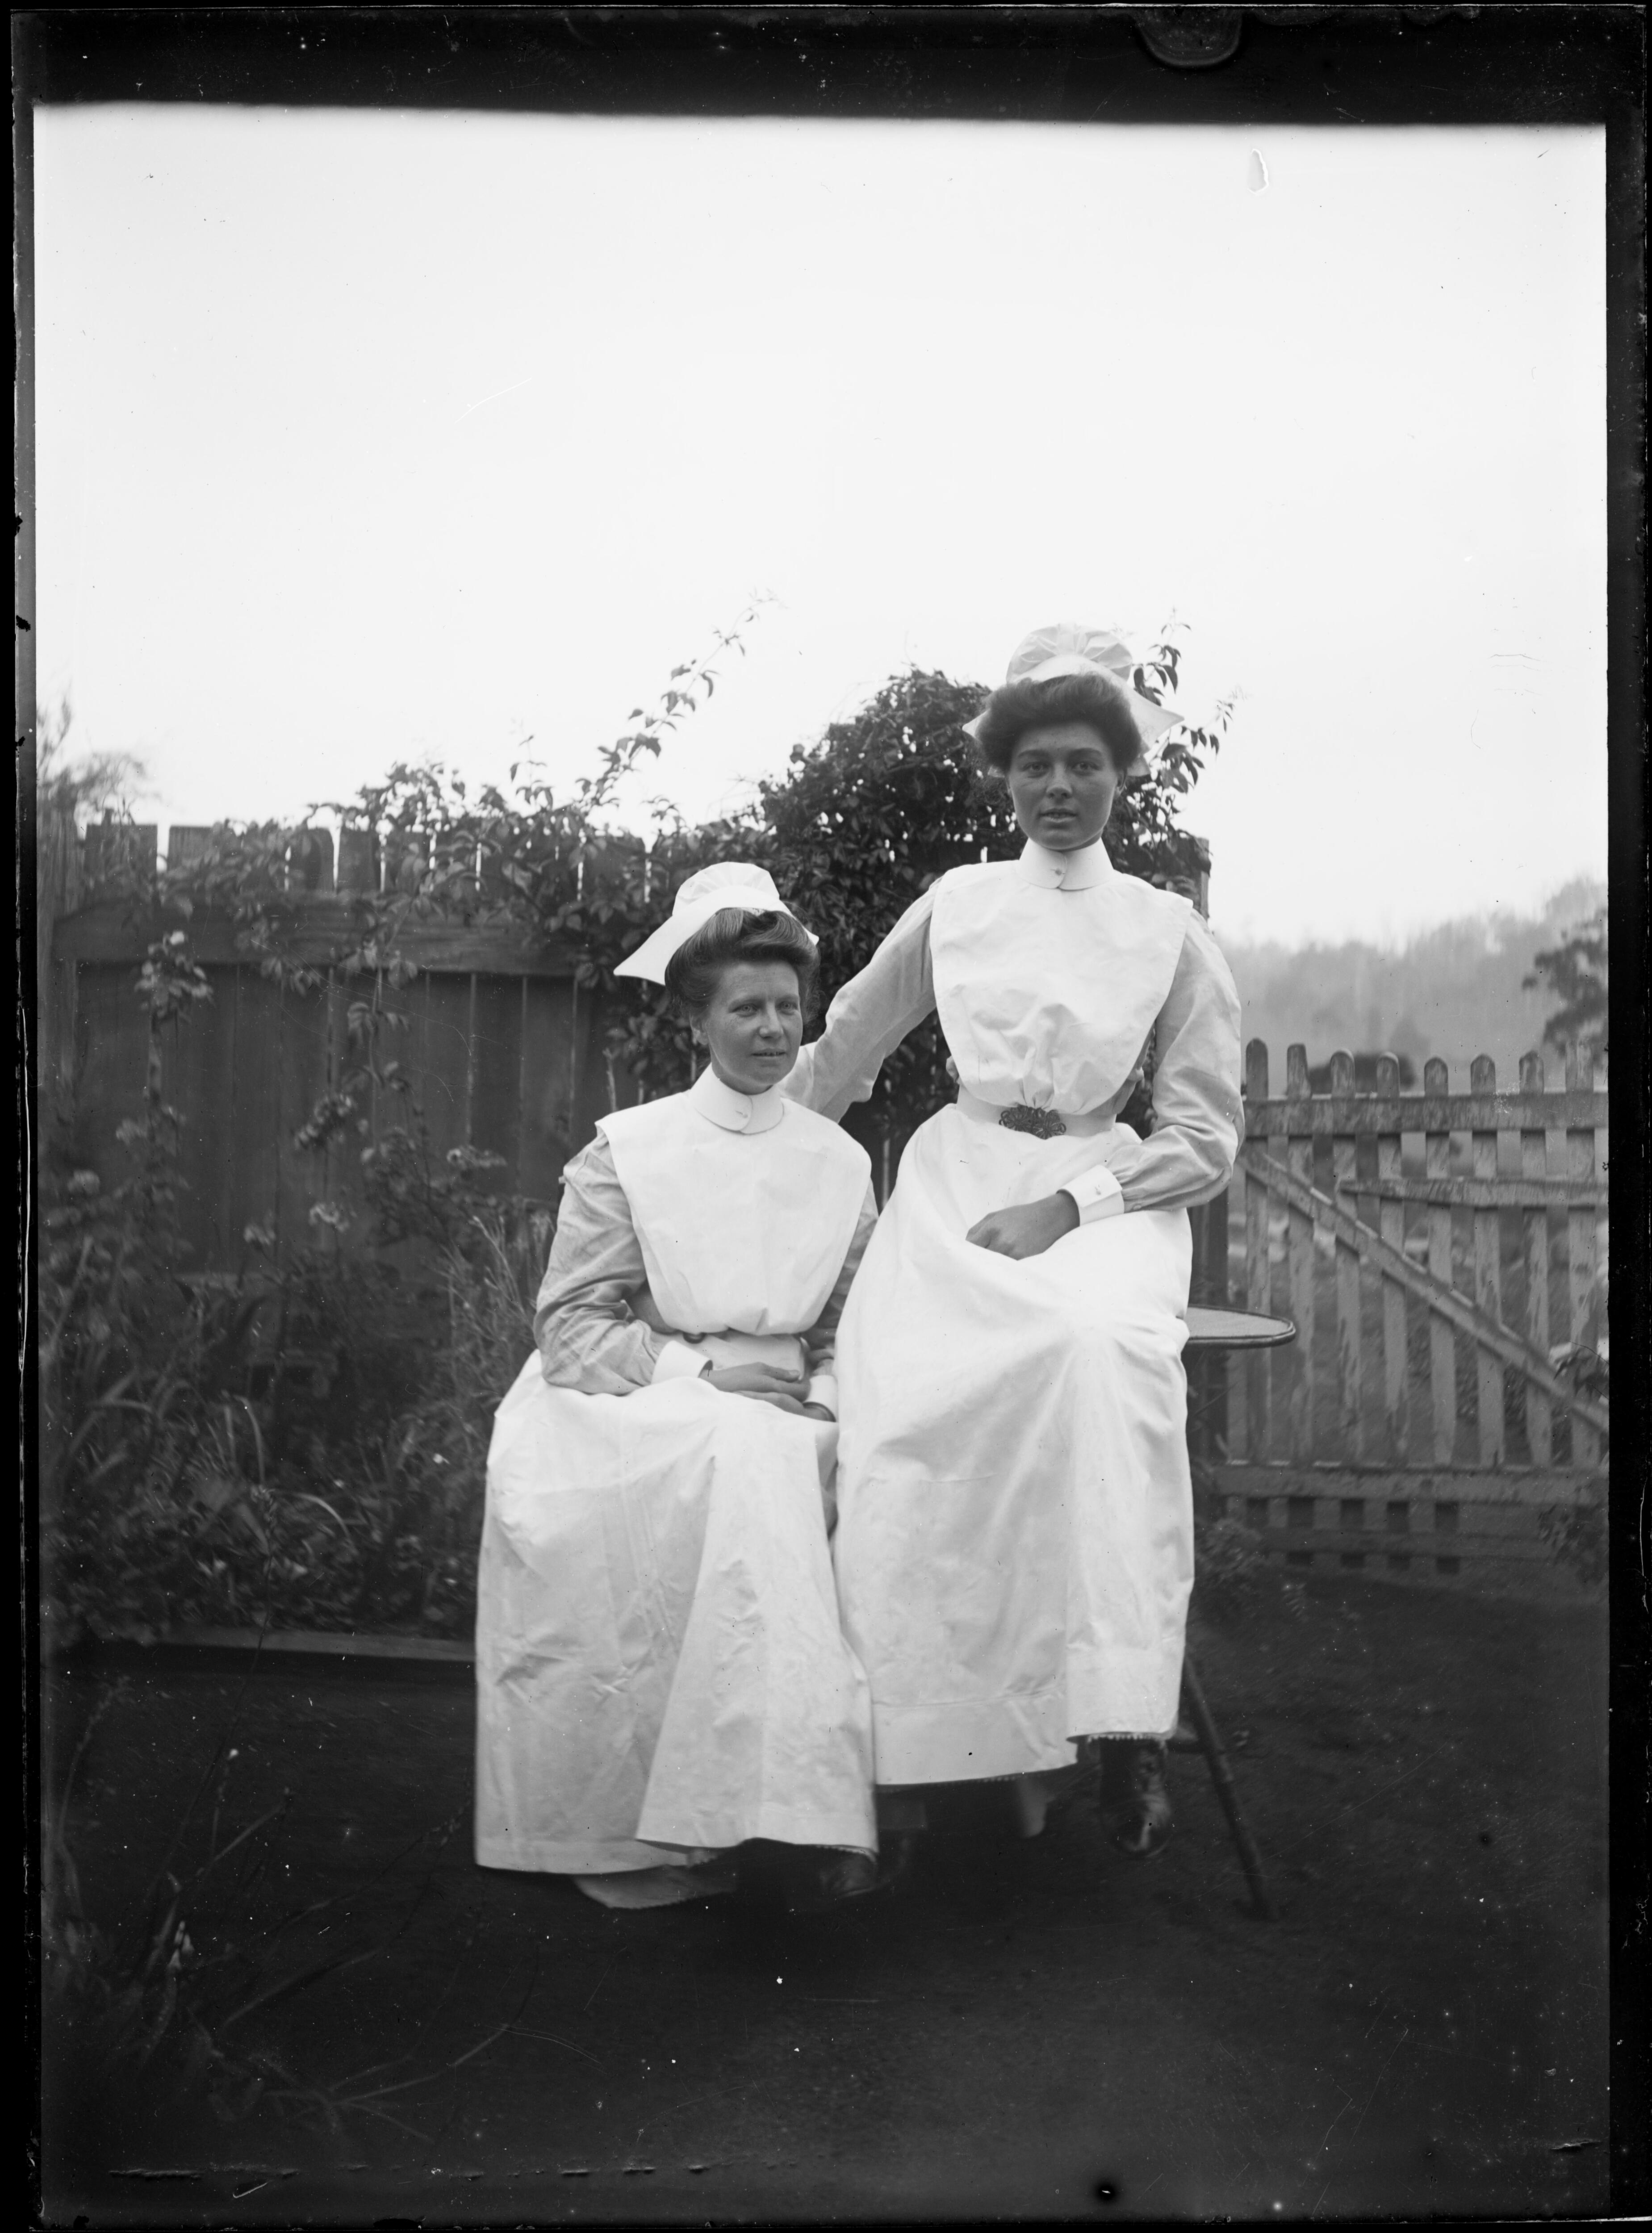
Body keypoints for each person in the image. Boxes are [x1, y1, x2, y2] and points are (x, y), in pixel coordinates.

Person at [782, 623, 1243, 1857]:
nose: (1055, 785)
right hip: (956, 1183)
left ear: (1117, 774)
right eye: (1033, 761)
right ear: (1002, 772)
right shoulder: (959, 907)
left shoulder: (1165, 929)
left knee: (1092, 1355)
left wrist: (1071, 1208)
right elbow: (843, 1049)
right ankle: (915, 1751)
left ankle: (1117, 1728)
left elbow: (1203, 1139)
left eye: (1081, 762)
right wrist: (740, 1161)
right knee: (906, 1408)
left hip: (1102, 1190)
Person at [474, 864, 882, 1911]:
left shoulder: (838, 1163)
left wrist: (829, 1398)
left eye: (786, 1007)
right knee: (745, 1459)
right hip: (641, 1399)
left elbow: (850, 1326)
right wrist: (706, 1370)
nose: (771, 1029)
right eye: (744, 1007)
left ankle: (822, 1800)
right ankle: (747, 1822)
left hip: (798, 1405)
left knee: (829, 1460)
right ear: (697, 1018)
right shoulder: (632, 1151)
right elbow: (570, 1325)